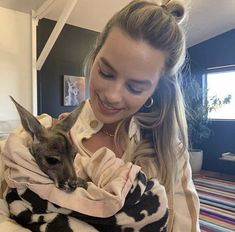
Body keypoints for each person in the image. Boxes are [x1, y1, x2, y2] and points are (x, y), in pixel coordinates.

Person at [0, 0, 200, 231]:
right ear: (94, 58)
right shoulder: (39, 138)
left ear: (155, 90)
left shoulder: (170, 155)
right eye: (106, 73)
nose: (113, 96)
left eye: (135, 88)